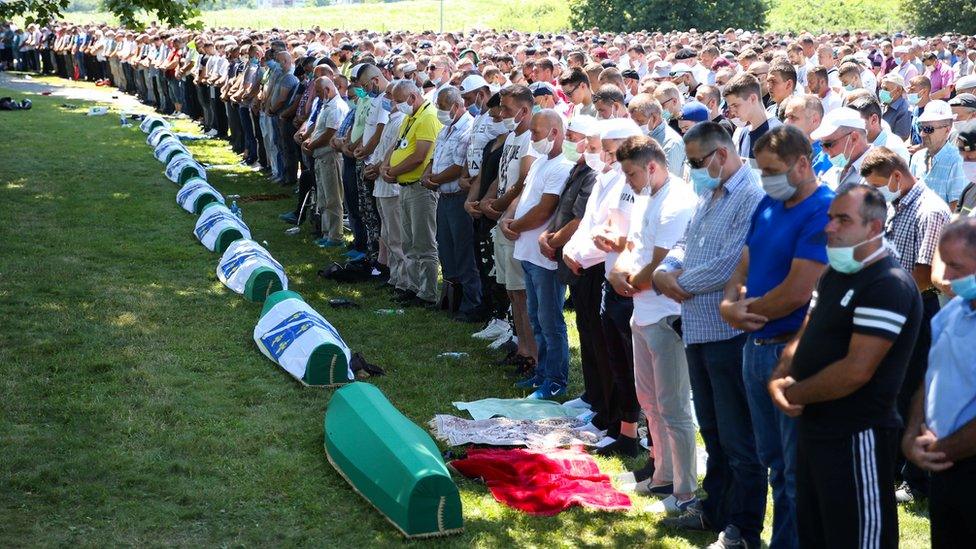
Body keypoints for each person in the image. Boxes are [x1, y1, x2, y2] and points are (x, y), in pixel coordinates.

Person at [769, 183, 922, 549]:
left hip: (857, 434)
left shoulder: (888, 284)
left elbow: (857, 370)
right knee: (816, 533)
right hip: (815, 428)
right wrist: (778, 377)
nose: (830, 227)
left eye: (843, 219)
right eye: (830, 218)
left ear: (873, 228)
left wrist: (793, 392)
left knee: (858, 538)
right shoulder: (836, 271)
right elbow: (806, 332)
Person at [719, 125, 833, 549]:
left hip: (791, 352)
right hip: (756, 347)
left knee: (794, 471)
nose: (766, 178)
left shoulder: (824, 209)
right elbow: (743, 263)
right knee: (774, 463)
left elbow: (799, 290)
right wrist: (729, 303)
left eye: (773, 170)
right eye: (762, 170)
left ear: (803, 163)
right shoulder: (769, 203)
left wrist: (743, 311)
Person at [655, 123, 767, 549]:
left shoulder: (751, 198)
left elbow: (730, 265)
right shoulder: (709, 194)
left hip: (728, 333)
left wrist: (676, 281)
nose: (695, 170)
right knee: (715, 431)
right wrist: (667, 272)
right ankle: (715, 508)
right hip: (699, 331)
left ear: (721, 155)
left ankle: (744, 528)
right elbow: (686, 242)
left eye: (699, 162)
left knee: (740, 438)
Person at [611, 135, 698, 515]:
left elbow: (661, 265)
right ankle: (662, 474)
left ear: (651, 166)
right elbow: (634, 245)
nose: (628, 181)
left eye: (631, 173)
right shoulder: (649, 196)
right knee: (650, 401)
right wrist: (618, 271)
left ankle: (684, 491)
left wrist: (628, 280)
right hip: (644, 312)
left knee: (674, 407)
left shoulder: (677, 201)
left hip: (665, 314)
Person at [859, 146, 951, 503]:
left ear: (896, 177)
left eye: (879, 184)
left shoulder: (930, 211)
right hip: (896, 307)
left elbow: (925, 275)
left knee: (914, 393)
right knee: (895, 391)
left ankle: (916, 480)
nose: (877, 192)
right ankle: (898, 470)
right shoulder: (900, 205)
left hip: (918, 310)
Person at [902, 217, 976, 548]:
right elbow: (929, 376)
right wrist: (913, 434)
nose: (944, 278)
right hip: (944, 466)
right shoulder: (951, 313)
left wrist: (940, 449)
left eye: (956, 267)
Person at [500, 109, 574, 399]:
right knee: (536, 317)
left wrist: (514, 224)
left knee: (550, 320)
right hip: (529, 253)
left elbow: (545, 208)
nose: (532, 137)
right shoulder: (541, 161)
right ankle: (542, 373)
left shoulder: (562, 166)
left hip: (545, 257)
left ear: (555, 133)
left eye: (536, 132)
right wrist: (508, 217)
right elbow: (523, 196)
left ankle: (555, 380)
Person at [540, 115, 610, 423]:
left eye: (582, 139)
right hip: (578, 258)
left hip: (595, 265)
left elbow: (585, 220)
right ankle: (593, 394)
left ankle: (606, 406)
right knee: (585, 328)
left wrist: (562, 243)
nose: (573, 143)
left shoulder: (601, 174)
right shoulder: (583, 168)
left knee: (599, 336)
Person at [480, 85, 538, 371]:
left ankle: (532, 353)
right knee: (513, 291)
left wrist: (500, 205)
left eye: (506, 109)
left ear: (524, 110)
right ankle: (521, 346)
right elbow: (502, 176)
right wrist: (489, 198)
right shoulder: (513, 136)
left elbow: (523, 181)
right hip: (503, 220)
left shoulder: (530, 138)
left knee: (522, 292)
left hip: (516, 223)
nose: (501, 114)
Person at [382, 79, 442, 306]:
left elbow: (420, 155)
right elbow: (399, 145)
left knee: (424, 242)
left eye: (399, 101)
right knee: (408, 241)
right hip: (405, 186)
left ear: (413, 97)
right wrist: (387, 166)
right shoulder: (411, 116)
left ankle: (427, 292)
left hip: (420, 188)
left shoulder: (427, 117)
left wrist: (393, 171)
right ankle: (413, 286)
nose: (396, 106)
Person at [425, 86, 482, 320]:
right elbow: (434, 157)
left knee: (463, 252)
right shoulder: (446, 129)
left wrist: (433, 180)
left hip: (458, 198)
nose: (439, 111)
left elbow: (458, 168)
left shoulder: (467, 129)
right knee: (446, 249)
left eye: (442, 107)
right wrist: (428, 174)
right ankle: (451, 299)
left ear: (456, 107)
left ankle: (471, 303)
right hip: (443, 197)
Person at [304, 76, 349, 247]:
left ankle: (335, 236)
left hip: (330, 156)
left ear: (328, 90)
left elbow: (331, 132)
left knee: (333, 197)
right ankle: (326, 231)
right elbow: (319, 128)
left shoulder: (336, 106)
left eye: (318, 91)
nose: (315, 94)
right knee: (323, 196)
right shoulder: (327, 105)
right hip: (320, 156)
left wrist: (312, 144)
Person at [909, 100, 969, 210]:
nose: (922, 134)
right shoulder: (917, 157)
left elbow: (956, 209)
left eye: (928, 129)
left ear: (947, 129)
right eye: (920, 128)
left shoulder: (958, 161)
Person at [724, 73, 783, 165]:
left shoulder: (778, 133)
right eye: (730, 107)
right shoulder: (742, 133)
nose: (732, 112)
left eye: (735, 105)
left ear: (752, 99)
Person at [811, 107, 872, 189]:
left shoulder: (878, 174)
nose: (824, 151)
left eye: (829, 144)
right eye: (822, 145)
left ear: (854, 138)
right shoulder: (835, 169)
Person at [847, 92, 911, 162]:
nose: (851, 127)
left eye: (857, 122)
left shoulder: (893, 149)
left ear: (874, 119)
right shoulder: (851, 141)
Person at [783, 94, 833, 177]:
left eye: (792, 117)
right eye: (786, 117)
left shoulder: (827, 155)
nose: (785, 122)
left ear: (814, 119)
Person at [879, 73, 913, 140]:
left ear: (898, 90)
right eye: (881, 88)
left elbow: (900, 138)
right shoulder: (884, 104)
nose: (882, 92)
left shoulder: (904, 110)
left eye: (886, 89)